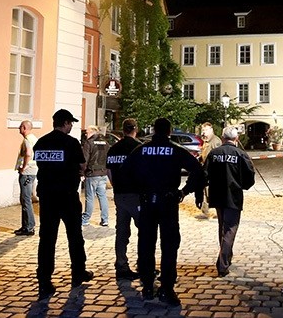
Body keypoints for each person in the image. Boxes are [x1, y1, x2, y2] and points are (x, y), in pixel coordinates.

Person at [119, 117, 204, 306]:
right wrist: (185, 191)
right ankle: (166, 288)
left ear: (154, 130)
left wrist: (139, 188)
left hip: (147, 201)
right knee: (169, 245)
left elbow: (124, 173)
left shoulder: (140, 150)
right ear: (169, 131)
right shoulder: (176, 150)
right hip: (168, 202)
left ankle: (148, 286)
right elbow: (198, 170)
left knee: (146, 244)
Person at [33, 109, 93, 300]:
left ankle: (44, 280)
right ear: (65, 123)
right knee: (74, 236)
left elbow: (41, 165)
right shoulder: (71, 142)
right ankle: (78, 272)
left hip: (47, 196)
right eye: (71, 123)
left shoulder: (41, 142)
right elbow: (82, 166)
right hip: (67, 196)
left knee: (47, 239)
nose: (71, 126)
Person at [202, 125, 255, 277]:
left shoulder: (214, 153)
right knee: (231, 228)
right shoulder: (240, 154)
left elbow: (205, 174)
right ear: (236, 138)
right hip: (233, 196)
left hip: (217, 195)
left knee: (223, 227)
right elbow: (249, 176)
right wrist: (243, 186)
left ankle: (226, 257)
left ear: (223, 137)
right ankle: (223, 263)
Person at [105, 118, 141, 280]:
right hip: (136, 195)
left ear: (123, 130)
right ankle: (144, 263)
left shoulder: (113, 148)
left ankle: (121, 264)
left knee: (121, 231)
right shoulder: (138, 147)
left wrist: (115, 186)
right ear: (135, 129)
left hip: (119, 195)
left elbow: (109, 171)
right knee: (145, 230)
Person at [81, 125, 110, 227]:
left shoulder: (89, 143)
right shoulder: (105, 143)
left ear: (93, 132)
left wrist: (82, 173)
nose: (86, 134)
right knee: (102, 196)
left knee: (89, 197)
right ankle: (105, 219)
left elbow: (84, 160)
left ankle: (85, 219)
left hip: (92, 174)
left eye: (87, 132)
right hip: (102, 173)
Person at [14, 120, 38, 236]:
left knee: (25, 199)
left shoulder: (27, 140)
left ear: (24, 128)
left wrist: (23, 167)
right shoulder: (34, 139)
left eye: (20, 126)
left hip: (27, 172)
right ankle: (27, 225)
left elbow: (28, 154)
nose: (19, 128)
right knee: (26, 199)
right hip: (32, 171)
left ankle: (28, 227)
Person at [198, 122, 222, 217]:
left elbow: (218, 156)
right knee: (204, 190)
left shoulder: (216, 141)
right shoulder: (206, 141)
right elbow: (205, 153)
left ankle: (218, 210)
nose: (204, 132)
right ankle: (205, 211)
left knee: (215, 191)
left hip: (213, 171)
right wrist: (200, 157)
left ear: (211, 130)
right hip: (205, 169)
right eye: (203, 130)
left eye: (206, 130)